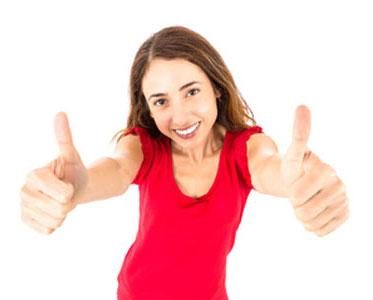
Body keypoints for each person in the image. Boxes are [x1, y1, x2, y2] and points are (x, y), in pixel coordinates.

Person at [20, 25, 350, 300]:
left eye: (191, 92)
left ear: (216, 88)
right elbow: (117, 169)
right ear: (148, 108)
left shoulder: (243, 149)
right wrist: (81, 186)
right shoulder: (144, 148)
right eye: (161, 101)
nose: (180, 116)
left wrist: (298, 182)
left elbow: (270, 167)